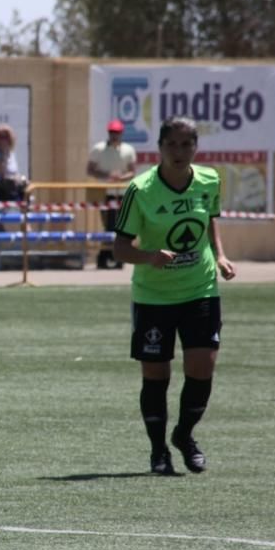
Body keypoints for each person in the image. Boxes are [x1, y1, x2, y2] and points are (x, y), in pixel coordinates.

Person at [113, 116, 235, 476]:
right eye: (172, 144)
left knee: (202, 366)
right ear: (160, 147)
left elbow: (211, 219)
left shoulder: (210, 180)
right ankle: (158, 451)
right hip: (154, 296)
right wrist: (149, 257)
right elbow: (120, 248)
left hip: (201, 288)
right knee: (156, 374)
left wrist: (221, 255)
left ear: (196, 147)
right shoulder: (141, 189)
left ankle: (184, 435)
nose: (180, 152)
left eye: (187, 144)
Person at [87, 118, 137, 269]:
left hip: (122, 193)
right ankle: (104, 257)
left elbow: (132, 171)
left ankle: (118, 257)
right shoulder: (98, 149)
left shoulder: (128, 150)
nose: (114, 135)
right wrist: (107, 176)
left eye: (117, 132)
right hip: (105, 192)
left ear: (121, 133)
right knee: (108, 225)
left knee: (121, 227)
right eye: (112, 132)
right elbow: (90, 169)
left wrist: (120, 177)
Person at [0, 123, 26, 202]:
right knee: (9, 184)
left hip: (11, 182)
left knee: (25, 184)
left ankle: (25, 209)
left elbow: (14, 171)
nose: (3, 140)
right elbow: (2, 170)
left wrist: (19, 178)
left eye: (6, 137)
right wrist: (3, 153)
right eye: (1, 137)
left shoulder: (11, 153)